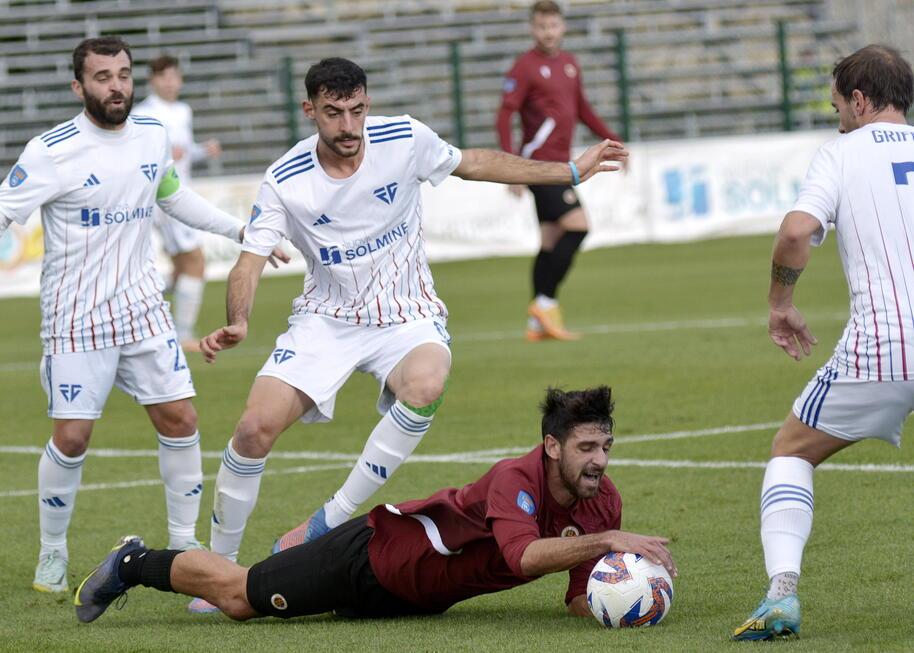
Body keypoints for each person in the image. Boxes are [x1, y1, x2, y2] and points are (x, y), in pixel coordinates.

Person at [192, 56, 627, 613]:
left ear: (367, 104)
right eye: (333, 113)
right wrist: (239, 319)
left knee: (425, 384)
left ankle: (329, 518)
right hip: (327, 318)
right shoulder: (285, 178)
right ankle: (219, 566)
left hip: (406, 313)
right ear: (310, 111)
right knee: (253, 429)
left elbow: (476, 163)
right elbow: (249, 262)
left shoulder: (404, 139)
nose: (348, 125)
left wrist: (569, 171)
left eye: (356, 110)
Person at [0, 36, 282, 595]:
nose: (116, 86)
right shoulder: (51, 151)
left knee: (181, 420)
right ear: (79, 87)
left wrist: (240, 230)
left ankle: (184, 545)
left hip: (143, 310)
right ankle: (52, 552)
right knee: (73, 437)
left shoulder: (152, 133)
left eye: (123, 74)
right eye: (102, 77)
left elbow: (172, 196)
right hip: (75, 318)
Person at [74, 386, 677, 625]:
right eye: (586, 448)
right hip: (373, 557)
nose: (599, 460)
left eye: (605, 447)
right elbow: (522, 558)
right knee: (238, 598)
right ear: (552, 447)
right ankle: (133, 563)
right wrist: (610, 544)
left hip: (416, 600)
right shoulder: (513, 479)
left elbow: (577, 595)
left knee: (261, 600)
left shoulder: (603, 505)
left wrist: (630, 604)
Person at [732, 45, 914, 641]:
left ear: (859, 101)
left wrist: (780, 303)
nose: (838, 120)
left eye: (838, 107)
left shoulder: (841, 153)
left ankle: (781, 594)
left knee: (791, 451)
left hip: (885, 346)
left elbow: (795, 232)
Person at [496, 0, 623, 342]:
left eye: (553, 25)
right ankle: (546, 305)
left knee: (550, 240)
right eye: (541, 26)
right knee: (578, 226)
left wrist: (611, 139)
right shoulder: (524, 67)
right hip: (539, 164)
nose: (548, 32)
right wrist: (510, 165)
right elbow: (504, 115)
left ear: (562, 27)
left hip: (560, 164)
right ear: (532, 29)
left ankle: (538, 323)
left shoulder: (569, 63)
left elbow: (581, 108)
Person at [136, 55, 222, 352]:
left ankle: (135, 304)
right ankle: (182, 336)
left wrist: (202, 151)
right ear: (152, 81)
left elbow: (183, 153)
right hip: (164, 200)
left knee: (179, 270)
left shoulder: (184, 111)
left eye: (174, 76)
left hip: (182, 194)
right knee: (195, 262)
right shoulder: (144, 114)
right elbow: (138, 156)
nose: (170, 82)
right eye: (163, 77)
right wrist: (161, 155)